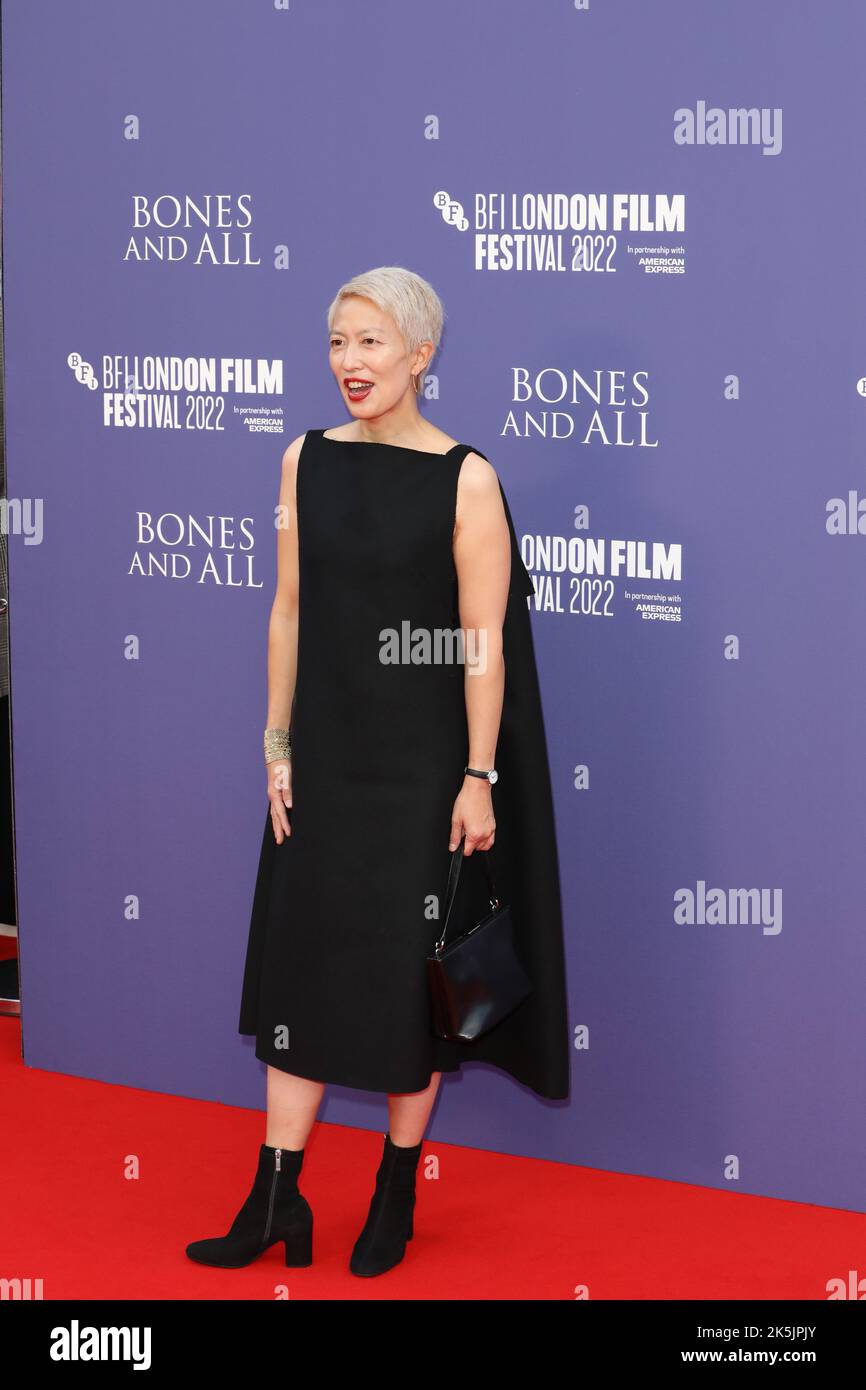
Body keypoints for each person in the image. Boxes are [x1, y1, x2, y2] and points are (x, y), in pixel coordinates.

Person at [186, 266, 570, 1278]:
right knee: (300, 968)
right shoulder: (302, 460)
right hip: (326, 755)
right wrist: (276, 748)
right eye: (335, 342)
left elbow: (480, 644)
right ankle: (276, 1194)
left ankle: (393, 1193)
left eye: (369, 342)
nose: (349, 363)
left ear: (419, 353)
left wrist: (477, 776)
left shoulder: (465, 478)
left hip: (420, 767)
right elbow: (288, 610)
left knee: (409, 983)